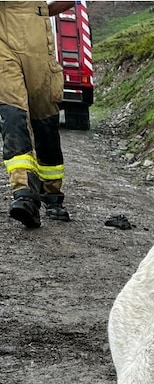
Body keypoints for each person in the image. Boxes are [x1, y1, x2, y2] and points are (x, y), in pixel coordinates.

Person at [0, 0, 73, 229]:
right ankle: (23, 192)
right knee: (13, 115)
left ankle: (52, 193)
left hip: (37, 36)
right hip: (3, 39)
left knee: (45, 120)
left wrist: (41, 12)